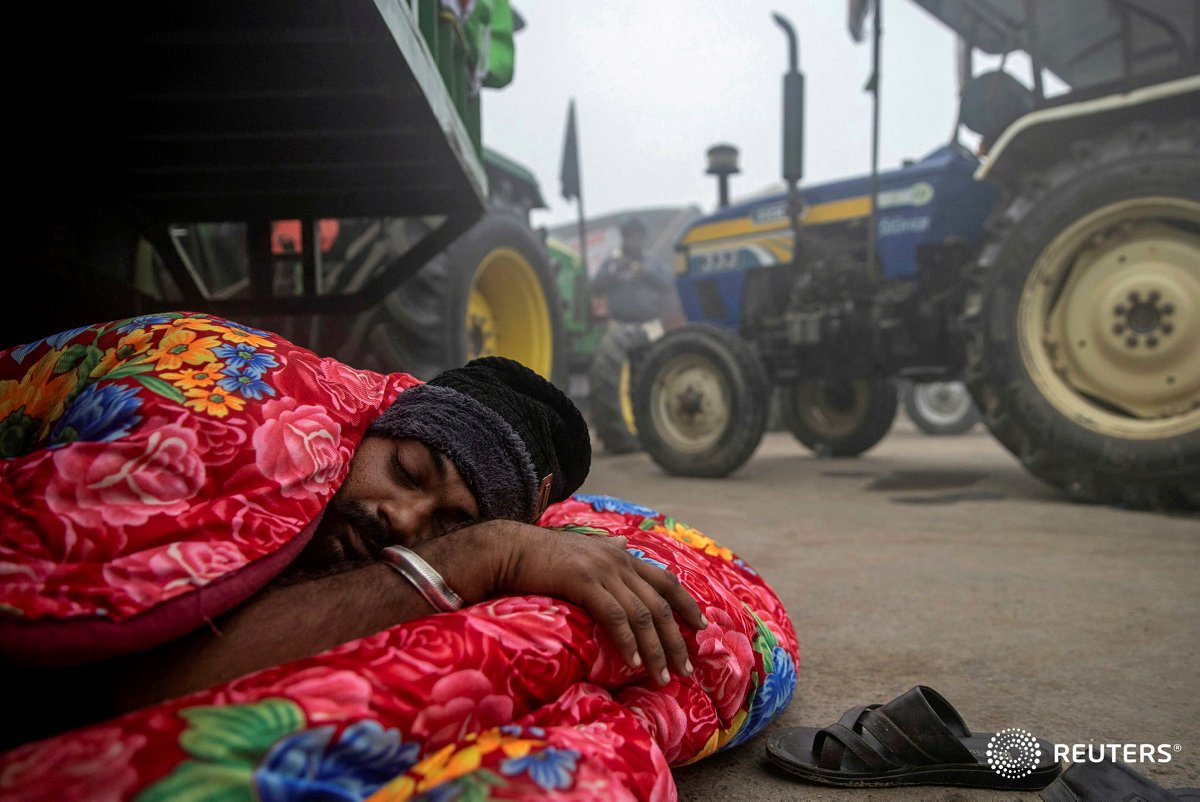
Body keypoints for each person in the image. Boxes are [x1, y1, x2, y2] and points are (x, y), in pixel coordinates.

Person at [0, 315, 705, 749]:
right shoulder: (273, 428)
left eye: (449, 523)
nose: (402, 519)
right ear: (375, 429)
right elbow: (116, 685)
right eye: (406, 469)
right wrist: (481, 549)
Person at [590, 217, 683, 327]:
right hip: (619, 325)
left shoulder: (653, 263)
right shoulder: (611, 263)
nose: (634, 241)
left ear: (643, 239)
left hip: (651, 324)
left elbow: (670, 286)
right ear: (624, 238)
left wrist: (648, 275)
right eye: (630, 237)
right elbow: (595, 287)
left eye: (638, 237)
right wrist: (615, 272)